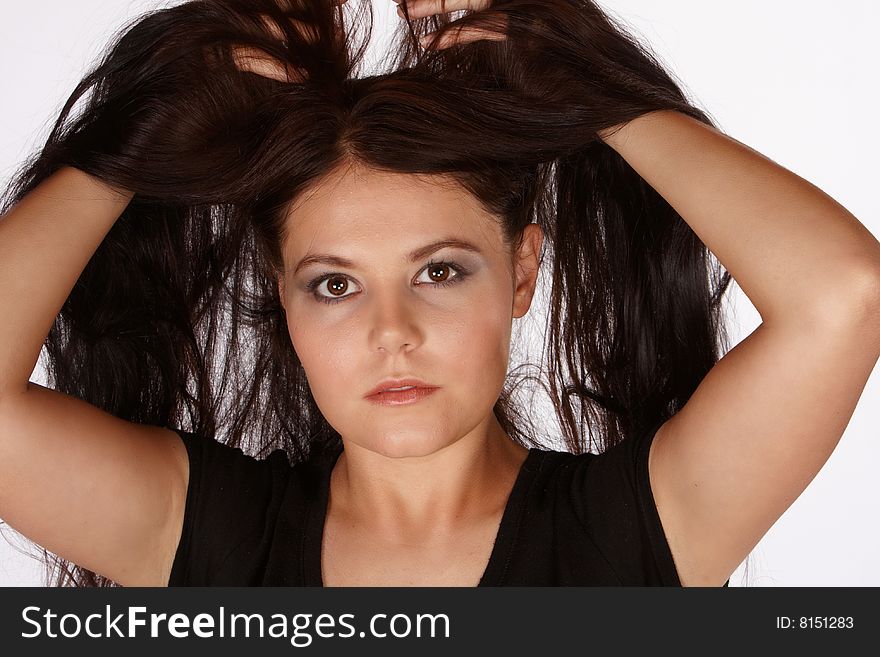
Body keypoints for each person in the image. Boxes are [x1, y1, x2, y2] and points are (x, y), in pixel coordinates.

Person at [0, 0, 878, 588]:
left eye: (440, 271)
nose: (393, 333)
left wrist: (602, 97)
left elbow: (845, 293)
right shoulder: (208, 535)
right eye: (335, 284)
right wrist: (136, 144)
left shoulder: (639, 530)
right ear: (282, 300)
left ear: (524, 270)